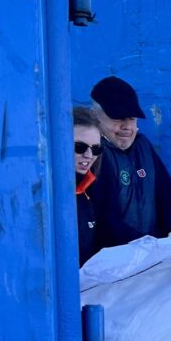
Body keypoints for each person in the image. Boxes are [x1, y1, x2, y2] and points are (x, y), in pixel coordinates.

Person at [89, 76, 171, 248]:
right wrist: (144, 247)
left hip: (149, 256)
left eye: (132, 119)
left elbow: (168, 201)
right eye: (118, 118)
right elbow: (104, 219)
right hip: (114, 261)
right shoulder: (92, 154)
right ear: (95, 116)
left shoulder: (143, 146)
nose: (127, 127)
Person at [73, 106, 103, 264]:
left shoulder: (89, 189)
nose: (89, 156)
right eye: (79, 147)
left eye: (96, 149)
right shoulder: (44, 195)